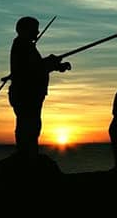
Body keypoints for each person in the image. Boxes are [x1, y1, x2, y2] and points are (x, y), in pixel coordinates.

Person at [8, 16, 72, 155]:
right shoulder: (23, 45)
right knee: (29, 127)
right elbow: (33, 69)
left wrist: (55, 65)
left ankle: (28, 154)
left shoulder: (24, 45)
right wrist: (51, 61)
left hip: (28, 94)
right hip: (26, 95)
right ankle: (27, 156)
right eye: (35, 29)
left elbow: (36, 67)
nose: (37, 32)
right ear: (25, 29)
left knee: (31, 126)